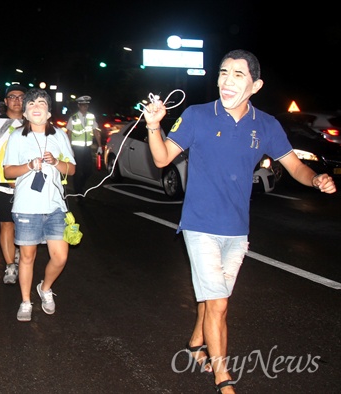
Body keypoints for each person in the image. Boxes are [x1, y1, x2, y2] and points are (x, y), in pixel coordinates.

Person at [143, 49, 337, 394]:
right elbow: (161, 159)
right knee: (218, 302)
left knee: (214, 295)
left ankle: (195, 343)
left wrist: (316, 179)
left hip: (237, 229)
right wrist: (154, 125)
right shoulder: (198, 115)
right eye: (223, 73)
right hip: (199, 224)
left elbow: (294, 165)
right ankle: (224, 380)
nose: (227, 81)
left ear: (255, 84)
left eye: (237, 75)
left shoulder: (266, 125)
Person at [3, 88, 76, 322]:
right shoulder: (16, 137)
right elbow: (8, 171)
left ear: (48, 112)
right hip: (26, 206)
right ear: (24, 112)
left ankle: (45, 288)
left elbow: (71, 169)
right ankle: (25, 301)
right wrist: (29, 166)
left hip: (55, 206)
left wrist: (56, 162)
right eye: (31, 103)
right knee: (27, 256)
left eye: (42, 103)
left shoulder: (59, 135)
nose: (36, 106)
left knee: (61, 257)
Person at [0, 84, 27, 284]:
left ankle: (22, 254)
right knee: (6, 223)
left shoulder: (34, 124)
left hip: (27, 184)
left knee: (24, 224)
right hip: (1, 182)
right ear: (5, 101)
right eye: (12, 97)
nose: (16, 100)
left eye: (21, 97)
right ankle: (10, 266)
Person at [66, 95, 102, 203]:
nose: (85, 107)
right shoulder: (73, 118)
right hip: (77, 148)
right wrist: (69, 148)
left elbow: (96, 131)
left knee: (88, 171)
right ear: (79, 106)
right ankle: (79, 194)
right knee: (78, 172)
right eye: (83, 105)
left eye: (86, 105)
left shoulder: (91, 116)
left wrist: (100, 145)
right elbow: (69, 133)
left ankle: (80, 186)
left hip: (87, 148)